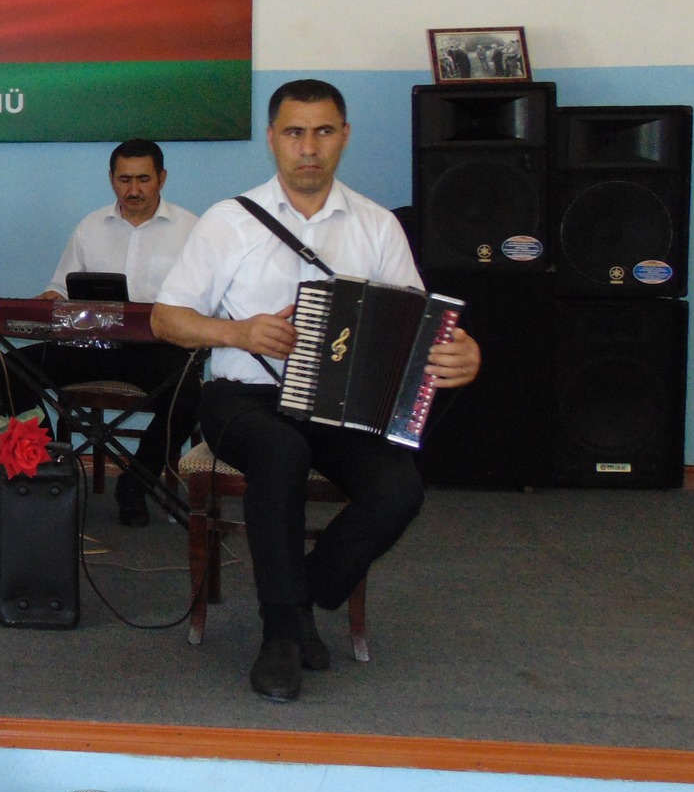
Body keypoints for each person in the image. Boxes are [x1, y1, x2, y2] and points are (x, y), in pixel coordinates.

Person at [152, 80, 480, 702]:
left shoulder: (377, 225)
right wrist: (239, 331)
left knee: (399, 489)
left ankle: (303, 594)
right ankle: (280, 633)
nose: (309, 147)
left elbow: (418, 327)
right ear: (272, 138)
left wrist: (463, 352)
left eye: (324, 131)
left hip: (340, 405)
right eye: (295, 132)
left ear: (344, 137)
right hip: (241, 398)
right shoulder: (228, 221)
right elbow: (167, 319)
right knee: (281, 452)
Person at [12, 139, 201, 526]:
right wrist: (47, 299)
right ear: (112, 179)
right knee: (12, 367)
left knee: (189, 395)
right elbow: (61, 287)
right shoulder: (91, 226)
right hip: (91, 344)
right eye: (125, 179)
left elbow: (205, 301)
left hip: (156, 348)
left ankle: (135, 484)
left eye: (143, 179)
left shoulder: (190, 229)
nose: (134, 190)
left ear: (162, 178)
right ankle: (50, 469)